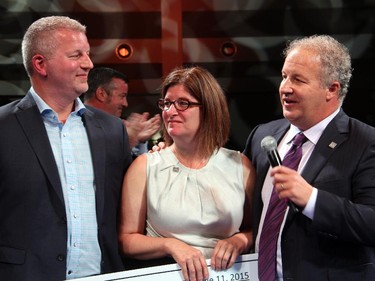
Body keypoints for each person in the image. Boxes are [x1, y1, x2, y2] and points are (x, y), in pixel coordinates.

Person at [0, 16, 133, 280]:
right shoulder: (3, 126)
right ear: (40, 64)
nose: (89, 64)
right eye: (76, 55)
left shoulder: (112, 130)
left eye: (88, 54)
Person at [243, 34, 375, 280]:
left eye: (298, 79)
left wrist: (312, 199)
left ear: (331, 89)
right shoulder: (263, 135)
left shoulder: (366, 142)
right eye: (284, 76)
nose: (285, 87)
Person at [118, 65, 255, 281]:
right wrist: (171, 245)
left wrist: (239, 241)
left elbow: (254, 229)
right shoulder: (145, 166)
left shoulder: (240, 165)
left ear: (209, 108)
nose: (170, 112)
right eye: (167, 103)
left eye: (183, 103)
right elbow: (127, 240)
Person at [83, 67, 161, 157]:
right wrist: (129, 141)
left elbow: (133, 169)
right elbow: (100, 164)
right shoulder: (77, 125)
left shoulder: (117, 128)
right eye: (122, 96)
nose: (125, 104)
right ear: (101, 94)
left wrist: (138, 140)